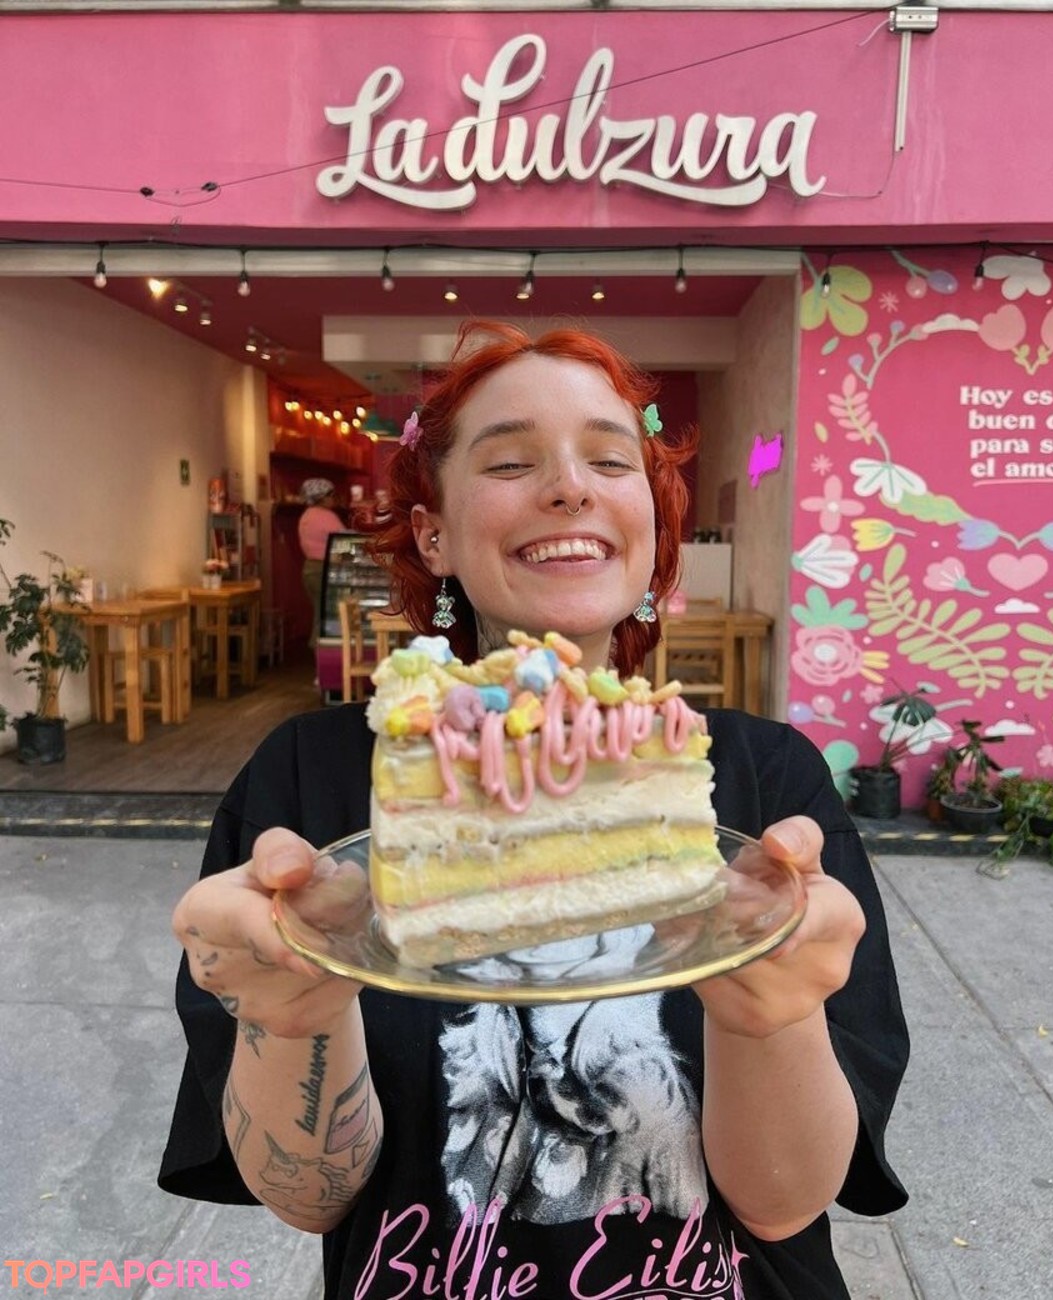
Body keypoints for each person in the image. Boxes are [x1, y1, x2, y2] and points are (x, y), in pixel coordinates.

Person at [159, 321, 909, 1300]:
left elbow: (781, 1207)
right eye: (511, 460)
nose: (569, 487)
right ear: (433, 531)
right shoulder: (313, 788)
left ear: (652, 523)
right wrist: (293, 1019)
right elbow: (310, 1196)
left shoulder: (763, 792)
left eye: (612, 460)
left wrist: (774, 1019)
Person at [297, 477, 342, 656]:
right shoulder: (326, 516)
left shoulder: (306, 516)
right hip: (324, 569)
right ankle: (323, 656)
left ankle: (321, 657)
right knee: (327, 613)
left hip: (309, 569)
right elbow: (343, 540)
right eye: (331, 495)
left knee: (320, 611)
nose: (334, 499)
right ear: (322, 497)